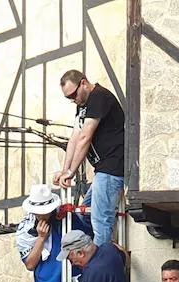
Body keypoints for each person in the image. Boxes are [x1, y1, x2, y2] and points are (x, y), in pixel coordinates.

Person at [53, 70, 127, 246]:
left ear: (84, 83)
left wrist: (70, 172)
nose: (73, 100)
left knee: (100, 220)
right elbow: (75, 138)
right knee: (85, 215)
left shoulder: (98, 97)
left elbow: (85, 137)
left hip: (111, 167)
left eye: (73, 94)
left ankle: (103, 261)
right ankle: (99, 253)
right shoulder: (83, 104)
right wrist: (65, 169)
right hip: (102, 170)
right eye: (68, 97)